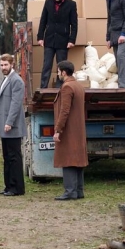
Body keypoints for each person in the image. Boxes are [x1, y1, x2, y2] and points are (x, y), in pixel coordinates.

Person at [52, 61, 88, 200]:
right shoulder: (78, 85)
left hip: (69, 129)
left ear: (63, 72)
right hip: (78, 128)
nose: (58, 73)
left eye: (58, 71)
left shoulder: (67, 87)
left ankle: (70, 191)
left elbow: (64, 110)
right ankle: (78, 190)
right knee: (77, 158)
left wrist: (58, 129)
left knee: (68, 158)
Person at [0, 54, 26, 196]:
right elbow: (1, 105)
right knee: (7, 157)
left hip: (12, 127)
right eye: (1, 65)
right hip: (4, 126)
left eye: (6, 65)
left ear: (12, 64)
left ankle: (17, 188)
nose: (3, 68)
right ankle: (8, 186)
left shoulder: (16, 81)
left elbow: (15, 104)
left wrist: (9, 122)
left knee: (14, 157)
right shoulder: (5, 80)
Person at [37, 0, 78, 89]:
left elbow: (74, 24)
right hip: (49, 39)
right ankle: (43, 88)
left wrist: (72, 40)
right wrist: (40, 37)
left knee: (62, 67)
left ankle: (60, 88)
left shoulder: (71, 5)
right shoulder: (48, 2)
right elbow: (43, 21)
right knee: (47, 65)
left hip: (63, 40)